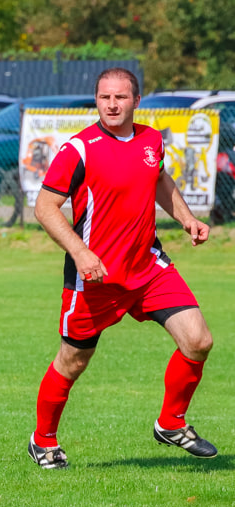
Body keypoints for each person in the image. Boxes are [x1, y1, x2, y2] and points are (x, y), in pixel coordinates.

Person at [28, 67, 216, 469]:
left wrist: (187, 218)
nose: (112, 104)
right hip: (95, 277)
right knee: (73, 361)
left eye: (121, 97)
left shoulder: (151, 140)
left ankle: (171, 423)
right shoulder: (77, 149)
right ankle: (43, 441)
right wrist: (80, 253)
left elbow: (159, 180)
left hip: (147, 266)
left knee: (198, 340)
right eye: (104, 97)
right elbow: (44, 208)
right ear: (96, 101)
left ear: (136, 101)